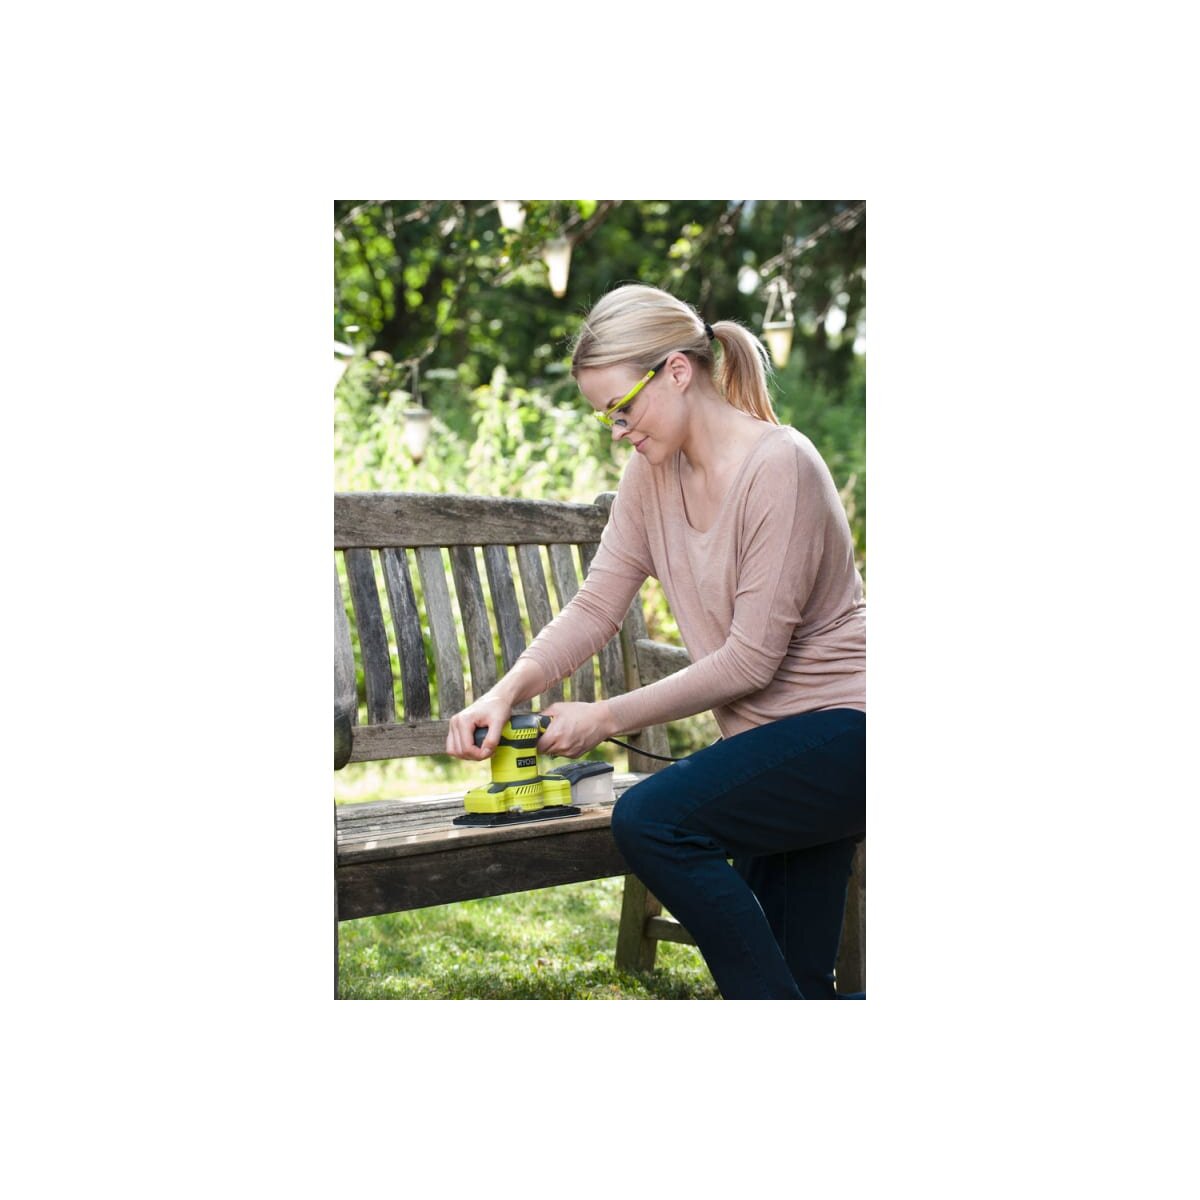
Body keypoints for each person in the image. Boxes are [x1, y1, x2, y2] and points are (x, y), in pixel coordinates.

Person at [445, 283, 866, 1000]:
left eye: (622, 408)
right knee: (793, 984)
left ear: (676, 371)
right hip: (767, 748)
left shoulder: (781, 466)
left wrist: (604, 717)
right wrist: (505, 691)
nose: (617, 430)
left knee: (652, 819)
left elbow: (750, 659)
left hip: (845, 734)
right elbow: (596, 605)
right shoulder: (651, 472)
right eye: (605, 416)